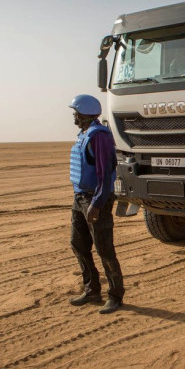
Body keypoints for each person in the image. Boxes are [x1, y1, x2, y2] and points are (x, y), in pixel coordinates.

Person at [68, 94, 124, 314]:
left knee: (104, 248)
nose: (73, 115)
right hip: (80, 197)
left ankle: (115, 294)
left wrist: (97, 204)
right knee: (78, 243)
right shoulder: (83, 134)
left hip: (95, 199)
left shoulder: (99, 136)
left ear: (84, 113)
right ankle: (92, 289)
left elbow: (106, 173)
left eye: (75, 112)